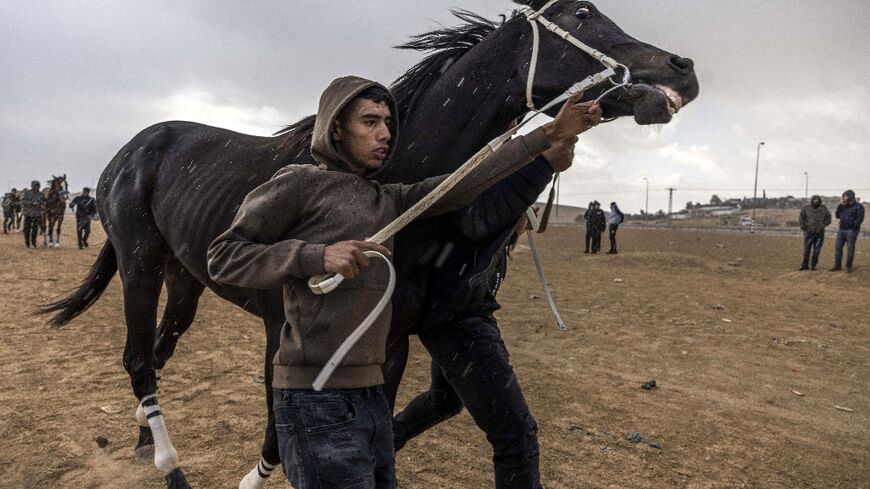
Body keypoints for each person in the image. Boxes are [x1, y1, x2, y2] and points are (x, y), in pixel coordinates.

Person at [206, 76, 602, 489]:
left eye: (388, 124)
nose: (385, 134)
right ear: (335, 129)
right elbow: (224, 256)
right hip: (314, 400)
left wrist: (548, 136)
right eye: (370, 122)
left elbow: (464, 182)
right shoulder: (299, 183)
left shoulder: (389, 200)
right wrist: (316, 256)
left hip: (373, 395)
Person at [392, 137, 576, 489]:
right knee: (515, 434)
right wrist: (544, 164)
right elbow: (478, 222)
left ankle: (383, 442)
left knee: (444, 399)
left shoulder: (499, 209)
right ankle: (382, 444)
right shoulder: (480, 200)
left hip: (457, 315)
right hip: (459, 319)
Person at [830, 190, 864, 273]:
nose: (844, 198)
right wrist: (839, 207)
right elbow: (837, 216)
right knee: (838, 248)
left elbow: (860, 219)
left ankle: (848, 267)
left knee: (850, 248)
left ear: (851, 197)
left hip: (851, 231)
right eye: (843, 196)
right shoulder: (842, 206)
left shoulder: (859, 206)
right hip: (841, 230)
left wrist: (853, 227)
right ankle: (837, 265)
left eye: (845, 196)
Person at [798, 195, 831, 271]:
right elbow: (801, 218)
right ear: (812, 201)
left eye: (817, 200)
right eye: (814, 200)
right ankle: (805, 265)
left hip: (819, 234)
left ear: (819, 201)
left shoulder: (823, 208)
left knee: (816, 251)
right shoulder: (806, 208)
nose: (816, 201)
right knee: (806, 250)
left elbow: (829, 217)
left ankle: (813, 265)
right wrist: (804, 229)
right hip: (809, 233)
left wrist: (823, 224)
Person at [19, 180, 45, 249]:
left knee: (35, 230)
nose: (36, 188)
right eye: (35, 186)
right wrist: (31, 203)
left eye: (38, 186)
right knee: (27, 230)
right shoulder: (27, 193)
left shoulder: (41, 194)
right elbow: (22, 201)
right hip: (28, 214)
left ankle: (33, 243)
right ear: (32, 186)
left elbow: (44, 202)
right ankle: (27, 244)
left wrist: (42, 205)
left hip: (37, 214)